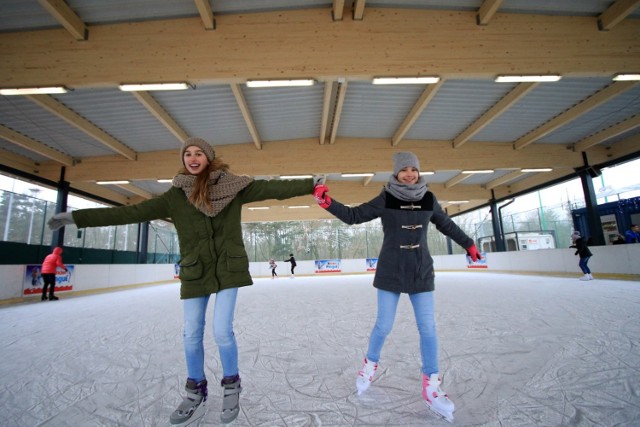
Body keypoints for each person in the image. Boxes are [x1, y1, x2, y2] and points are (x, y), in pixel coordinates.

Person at [47, 137, 316, 426]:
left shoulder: (234, 186)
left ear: (208, 157)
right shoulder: (175, 196)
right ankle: (195, 390)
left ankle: (231, 385)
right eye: (187, 153)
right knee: (190, 335)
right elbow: (128, 212)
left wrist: (311, 183)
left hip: (228, 269)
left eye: (198, 152)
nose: (192, 157)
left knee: (222, 331)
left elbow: (273, 189)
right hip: (195, 271)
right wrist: (75, 217)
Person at [313, 151, 481, 423]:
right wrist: (327, 202)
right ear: (395, 173)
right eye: (404, 170)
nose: (409, 174)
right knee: (383, 325)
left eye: (413, 169)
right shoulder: (386, 197)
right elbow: (354, 216)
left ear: (419, 171)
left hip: (420, 270)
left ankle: (431, 386)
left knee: (428, 328)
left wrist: (469, 243)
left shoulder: (428, 198)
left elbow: (446, 224)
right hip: (391, 270)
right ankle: (369, 365)